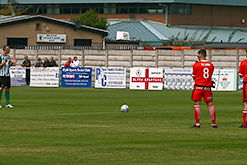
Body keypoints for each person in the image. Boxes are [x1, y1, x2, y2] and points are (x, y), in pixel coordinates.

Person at [191, 49, 217, 128]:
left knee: (197, 105)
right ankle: (213, 123)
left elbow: (194, 76)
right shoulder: (211, 65)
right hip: (207, 88)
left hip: (199, 87)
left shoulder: (196, 65)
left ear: (199, 55)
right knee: (210, 105)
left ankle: (197, 124)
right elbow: (209, 76)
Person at [238, 49, 247, 128]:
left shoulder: (243, 63)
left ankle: (245, 123)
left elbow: (240, 74)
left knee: (245, 103)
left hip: (246, 84)